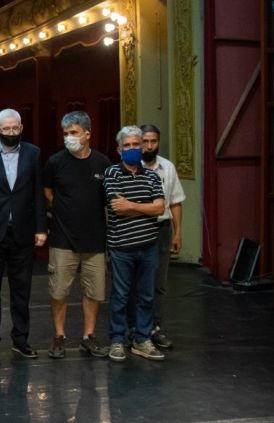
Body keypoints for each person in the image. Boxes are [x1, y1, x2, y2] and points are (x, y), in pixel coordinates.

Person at [0, 108, 47, 361]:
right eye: (7, 128)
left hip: (23, 232)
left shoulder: (33, 153)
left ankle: (21, 339)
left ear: (22, 128)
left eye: (16, 128)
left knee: (22, 290)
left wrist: (41, 227)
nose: (12, 132)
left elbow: (37, 192)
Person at [42, 111, 111, 359]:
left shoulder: (103, 163)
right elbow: (48, 192)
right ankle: (59, 336)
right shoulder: (55, 162)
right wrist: (63, 211)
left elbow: (107, 199)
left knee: (93, 292)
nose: (69, 137)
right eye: (65, 133)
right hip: (62, 239)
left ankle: (88, 336)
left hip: (95, 239)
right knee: (59, 291)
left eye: (73, 132)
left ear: (87, 134)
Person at [103, 125, 165, 362]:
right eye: (126, 145)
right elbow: (117, 207)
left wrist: (132, 205)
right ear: (119, 150)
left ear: (142, 147)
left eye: (135, 145)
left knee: (146, 296)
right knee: (120, 296)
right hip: (121, 247)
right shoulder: (112, 173)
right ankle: (117, 340)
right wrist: (145, 207)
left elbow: (160, 208)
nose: (132, 149)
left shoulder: (152, 175)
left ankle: (142, 339)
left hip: (149, 246)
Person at [126, 124, 186, 349]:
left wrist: (177, 233)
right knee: (135, 282)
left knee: (159, 283)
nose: (149, 146)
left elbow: (175, 202)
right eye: (145, 141)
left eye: (153, 141)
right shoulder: (130, 166)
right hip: (136, 227)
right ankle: (134, 328)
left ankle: (155, 327)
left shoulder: (167, 167)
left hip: (162, 229)